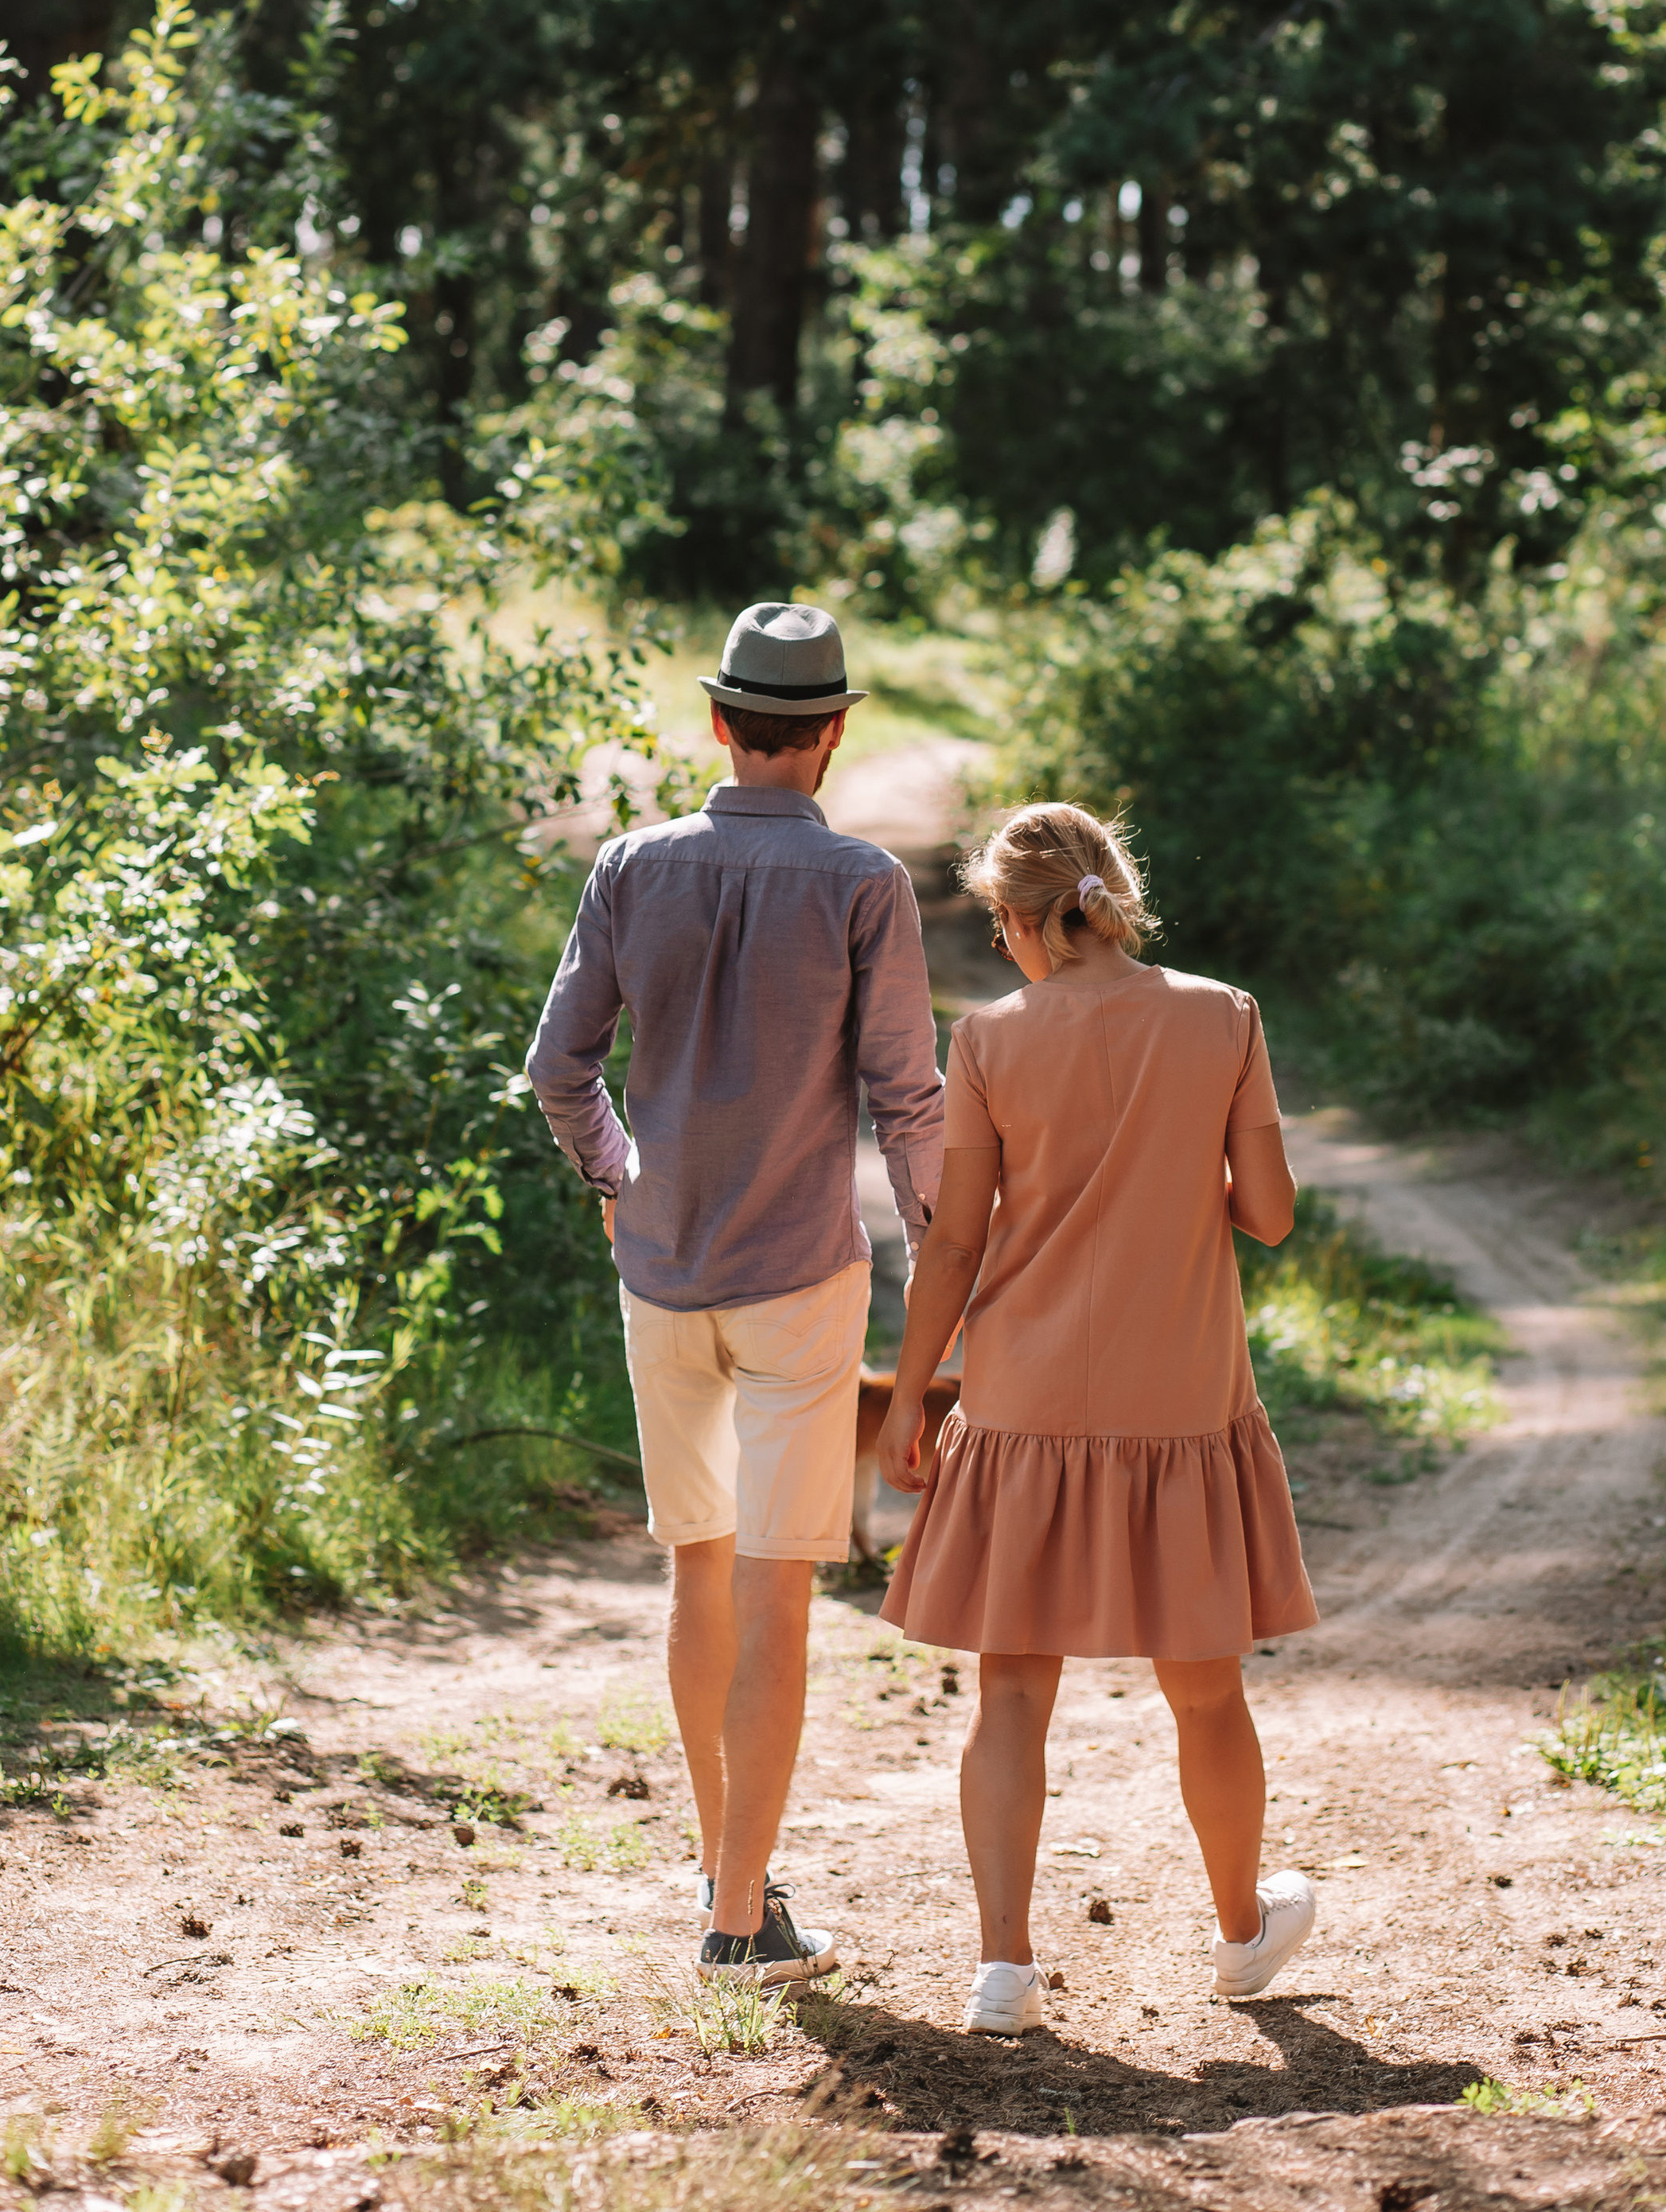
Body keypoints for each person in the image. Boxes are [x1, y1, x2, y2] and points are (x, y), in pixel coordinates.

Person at [527, 601, 944, 1987]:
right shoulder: (865, 885)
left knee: (695, 1573)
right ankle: (735, 1914)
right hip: (800, 1281)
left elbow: (559, 1067)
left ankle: (731, 1882)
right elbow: (906, 1100)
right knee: (776, 1596)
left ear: (719, 722)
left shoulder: (633, 866)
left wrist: (618, 1177)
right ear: (831, 735)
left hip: (662, 1269)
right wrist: (950, 1248)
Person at [878, 800, 1318, 2038]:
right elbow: (1271, 1214)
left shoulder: (991, 1040)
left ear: (1019, 922)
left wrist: (910, 1394)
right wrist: (1182, 1165)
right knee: (1206, 1689)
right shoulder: (1223, 1016)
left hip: (1020, 1401)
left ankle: (1005, 1975)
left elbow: (955, 1238)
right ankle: (1242, 1934)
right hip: (1181, 1397)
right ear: (1110, 896)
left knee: (1010, 1694)